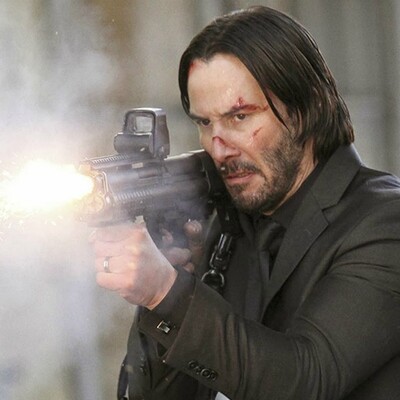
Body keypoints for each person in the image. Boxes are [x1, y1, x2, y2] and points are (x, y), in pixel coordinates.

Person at [90, 6, 400, 400]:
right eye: (205, 123)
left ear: (305, 109)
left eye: (239, 116)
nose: (219, 148)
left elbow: (306, 380)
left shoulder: (384, 222)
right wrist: (168, 283)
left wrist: (166, 292)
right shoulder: (226, 229)